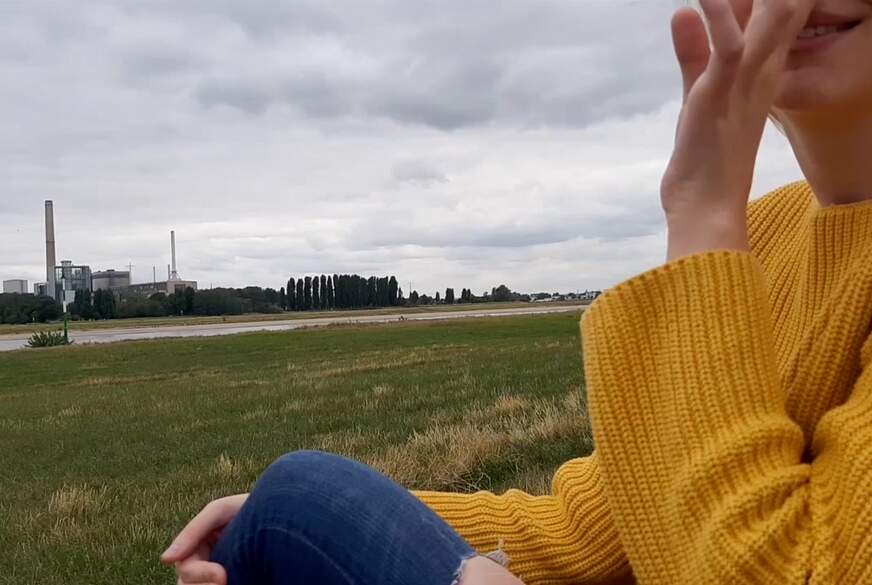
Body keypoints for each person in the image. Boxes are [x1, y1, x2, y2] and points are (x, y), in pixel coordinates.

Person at [161, 0, 872, 582]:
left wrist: (704, 210)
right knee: (293, 505)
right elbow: (594, 532)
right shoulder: (764, 233)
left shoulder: (719, 231)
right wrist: (333, 518)